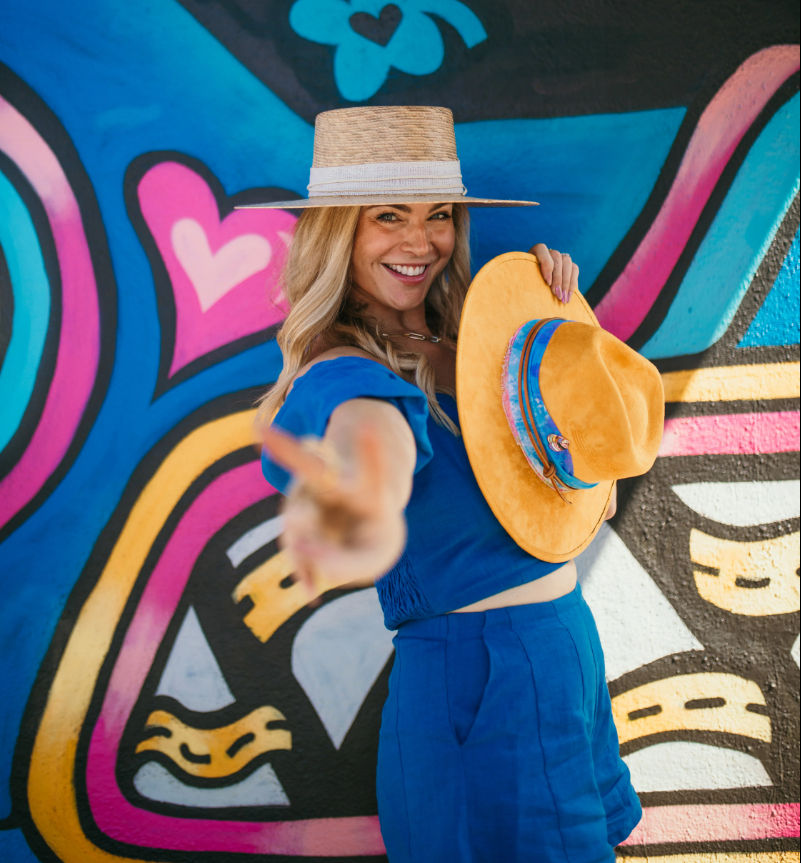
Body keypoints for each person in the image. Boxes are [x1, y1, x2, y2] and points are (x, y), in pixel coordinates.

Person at [250, 106, 660, 862]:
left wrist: (555, 323)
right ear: (339, 231)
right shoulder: (339, 362)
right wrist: (373, 479)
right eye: (388, 217)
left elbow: (571, 472)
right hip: (482, 672)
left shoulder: (468, 340)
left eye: (437, 215)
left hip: (555, 649)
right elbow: (368, 427)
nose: (420, 241)